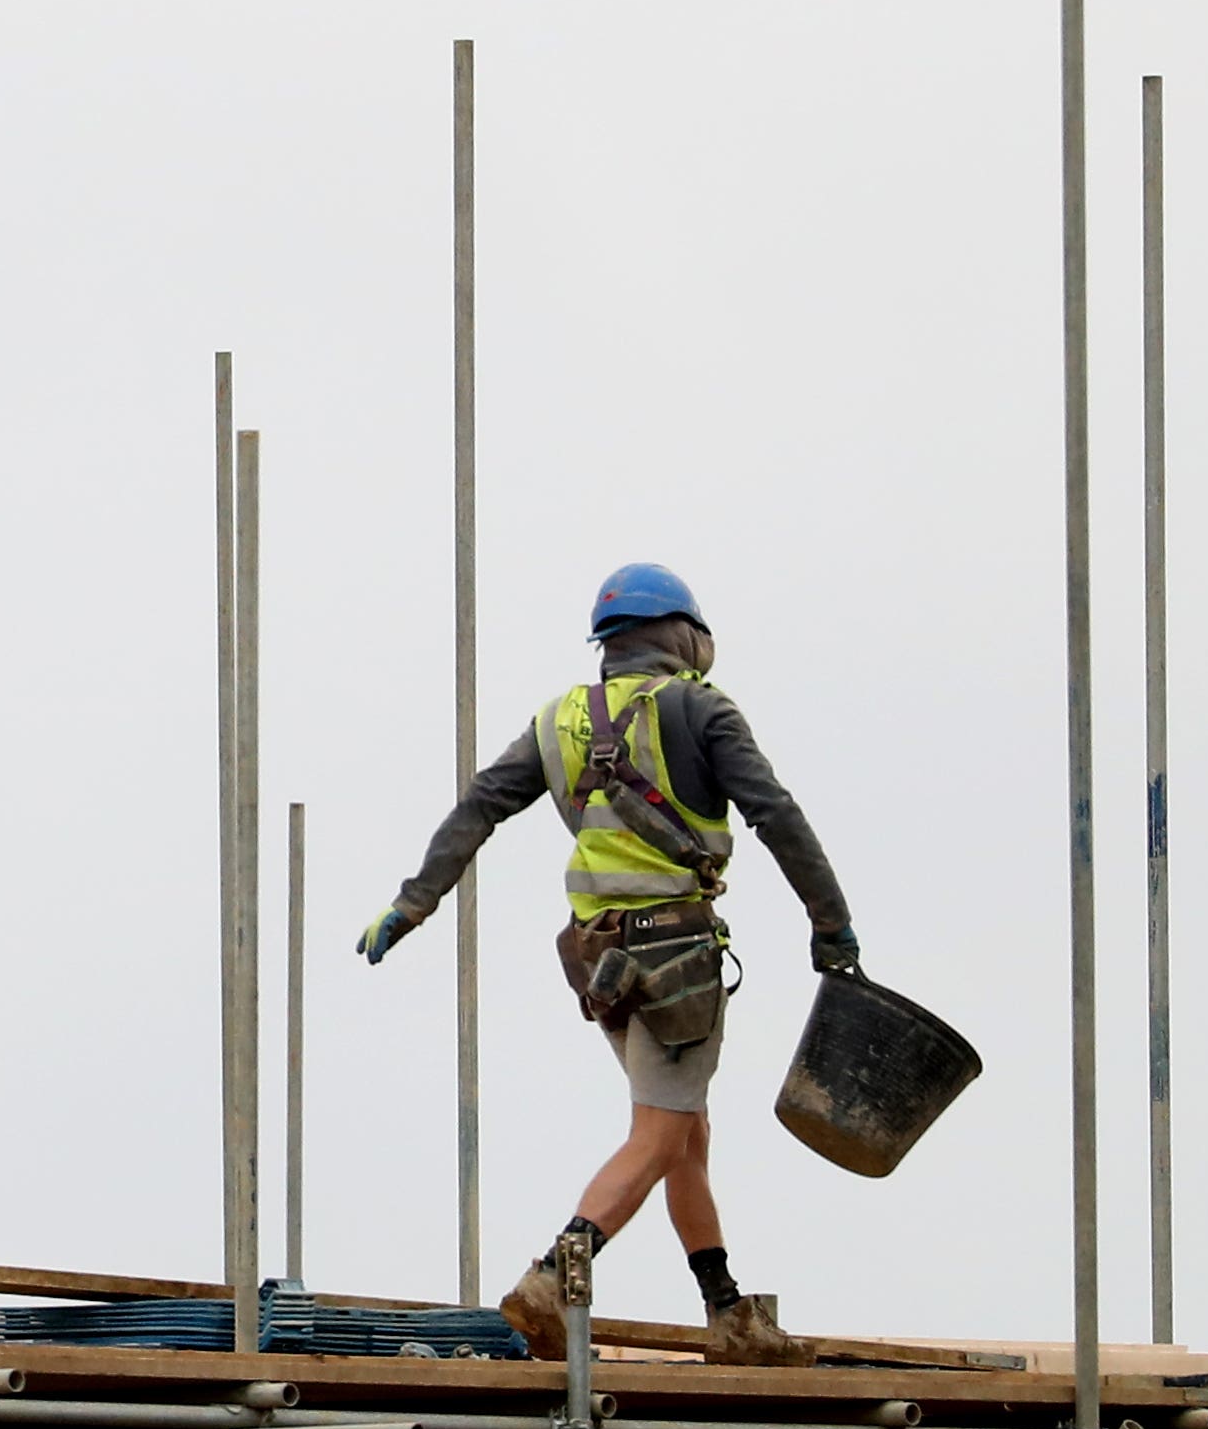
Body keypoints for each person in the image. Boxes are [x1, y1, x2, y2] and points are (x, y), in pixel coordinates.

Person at [356, 563, 858, 1367]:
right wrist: (831, 925)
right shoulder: (701, 709)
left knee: (683, 1130)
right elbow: (775, 814)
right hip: (675, 960)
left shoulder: (559, 721)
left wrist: (413, 902)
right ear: (682, 634)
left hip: (601, 964)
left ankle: (728, 1314)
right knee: (661, 1134)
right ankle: (553, 1275)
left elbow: (480, 805)